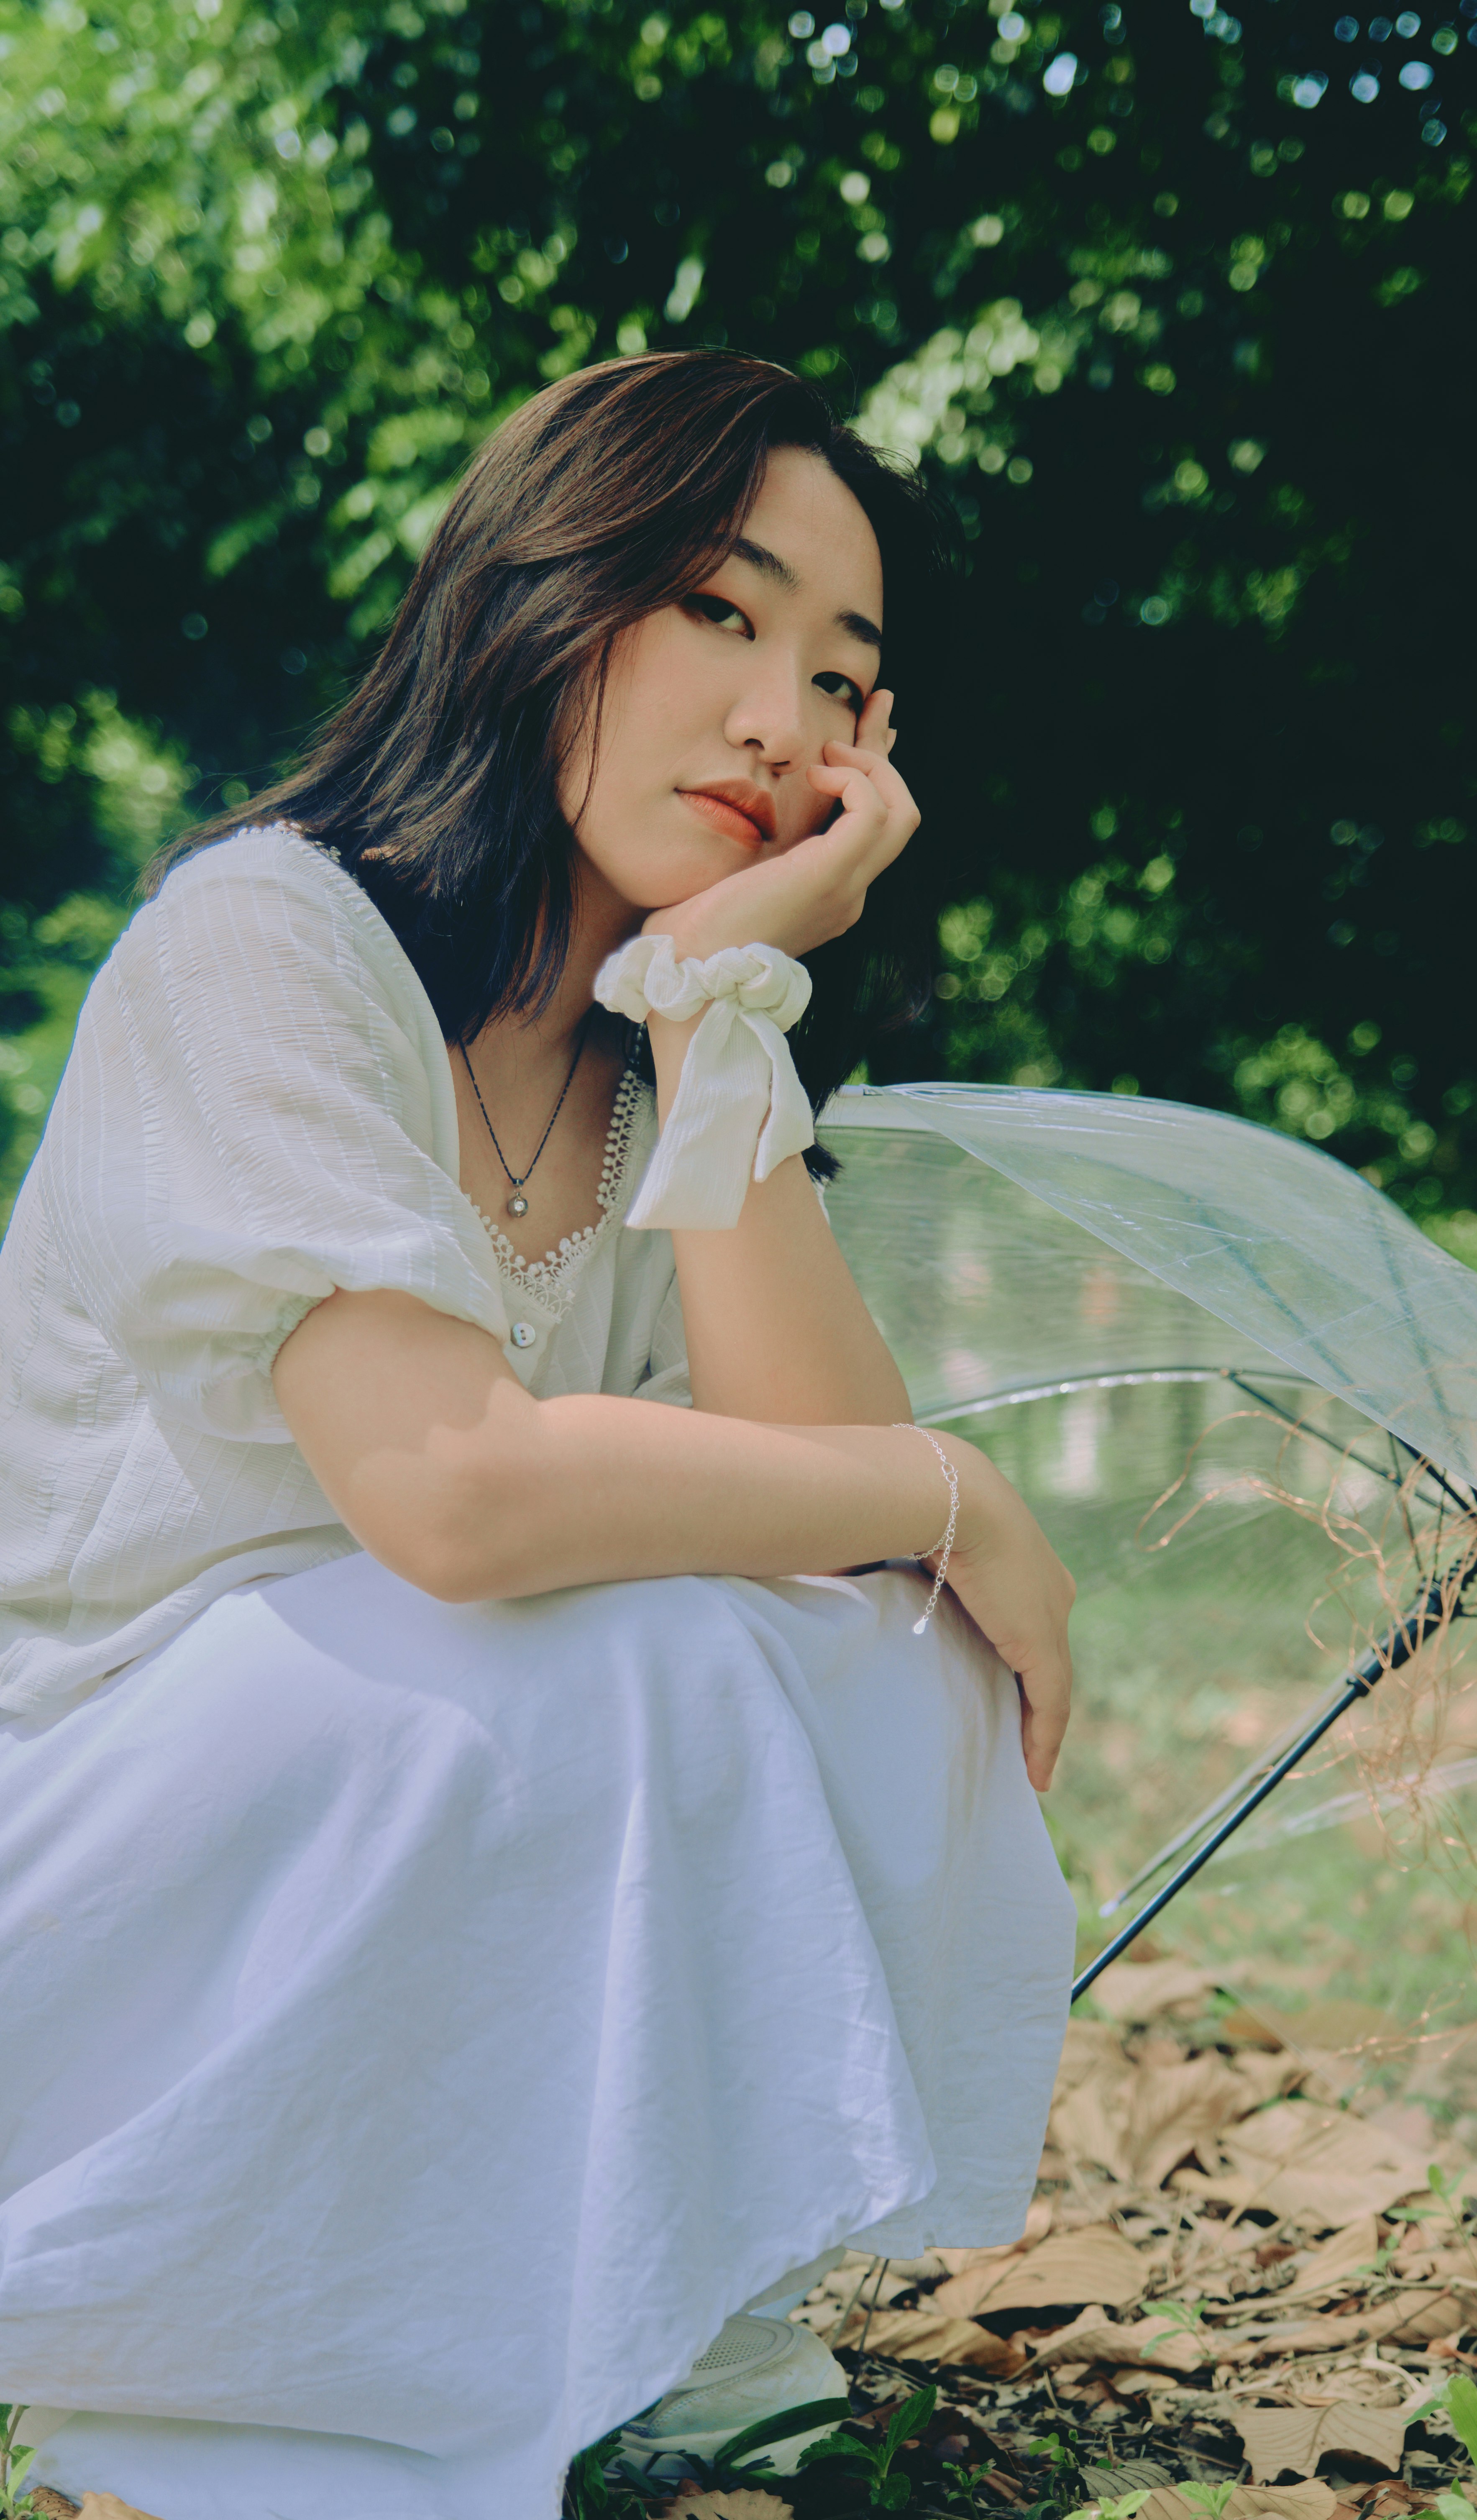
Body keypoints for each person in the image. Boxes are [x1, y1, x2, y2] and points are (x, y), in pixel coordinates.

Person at [0, 351, 1077, 2520]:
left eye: (845, 676)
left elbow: (843, 1573)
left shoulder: (641, 1060)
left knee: (875, 1654)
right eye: (720, 609)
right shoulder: (265, 941)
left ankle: (630, 2295)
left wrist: (713, 1003)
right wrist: (955, 1492)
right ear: (539, 599)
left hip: (340, 1790)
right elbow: (455, 1492)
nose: (786, 718)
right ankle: (255, 2368)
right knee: (652, 1633)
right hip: (74, 1873)